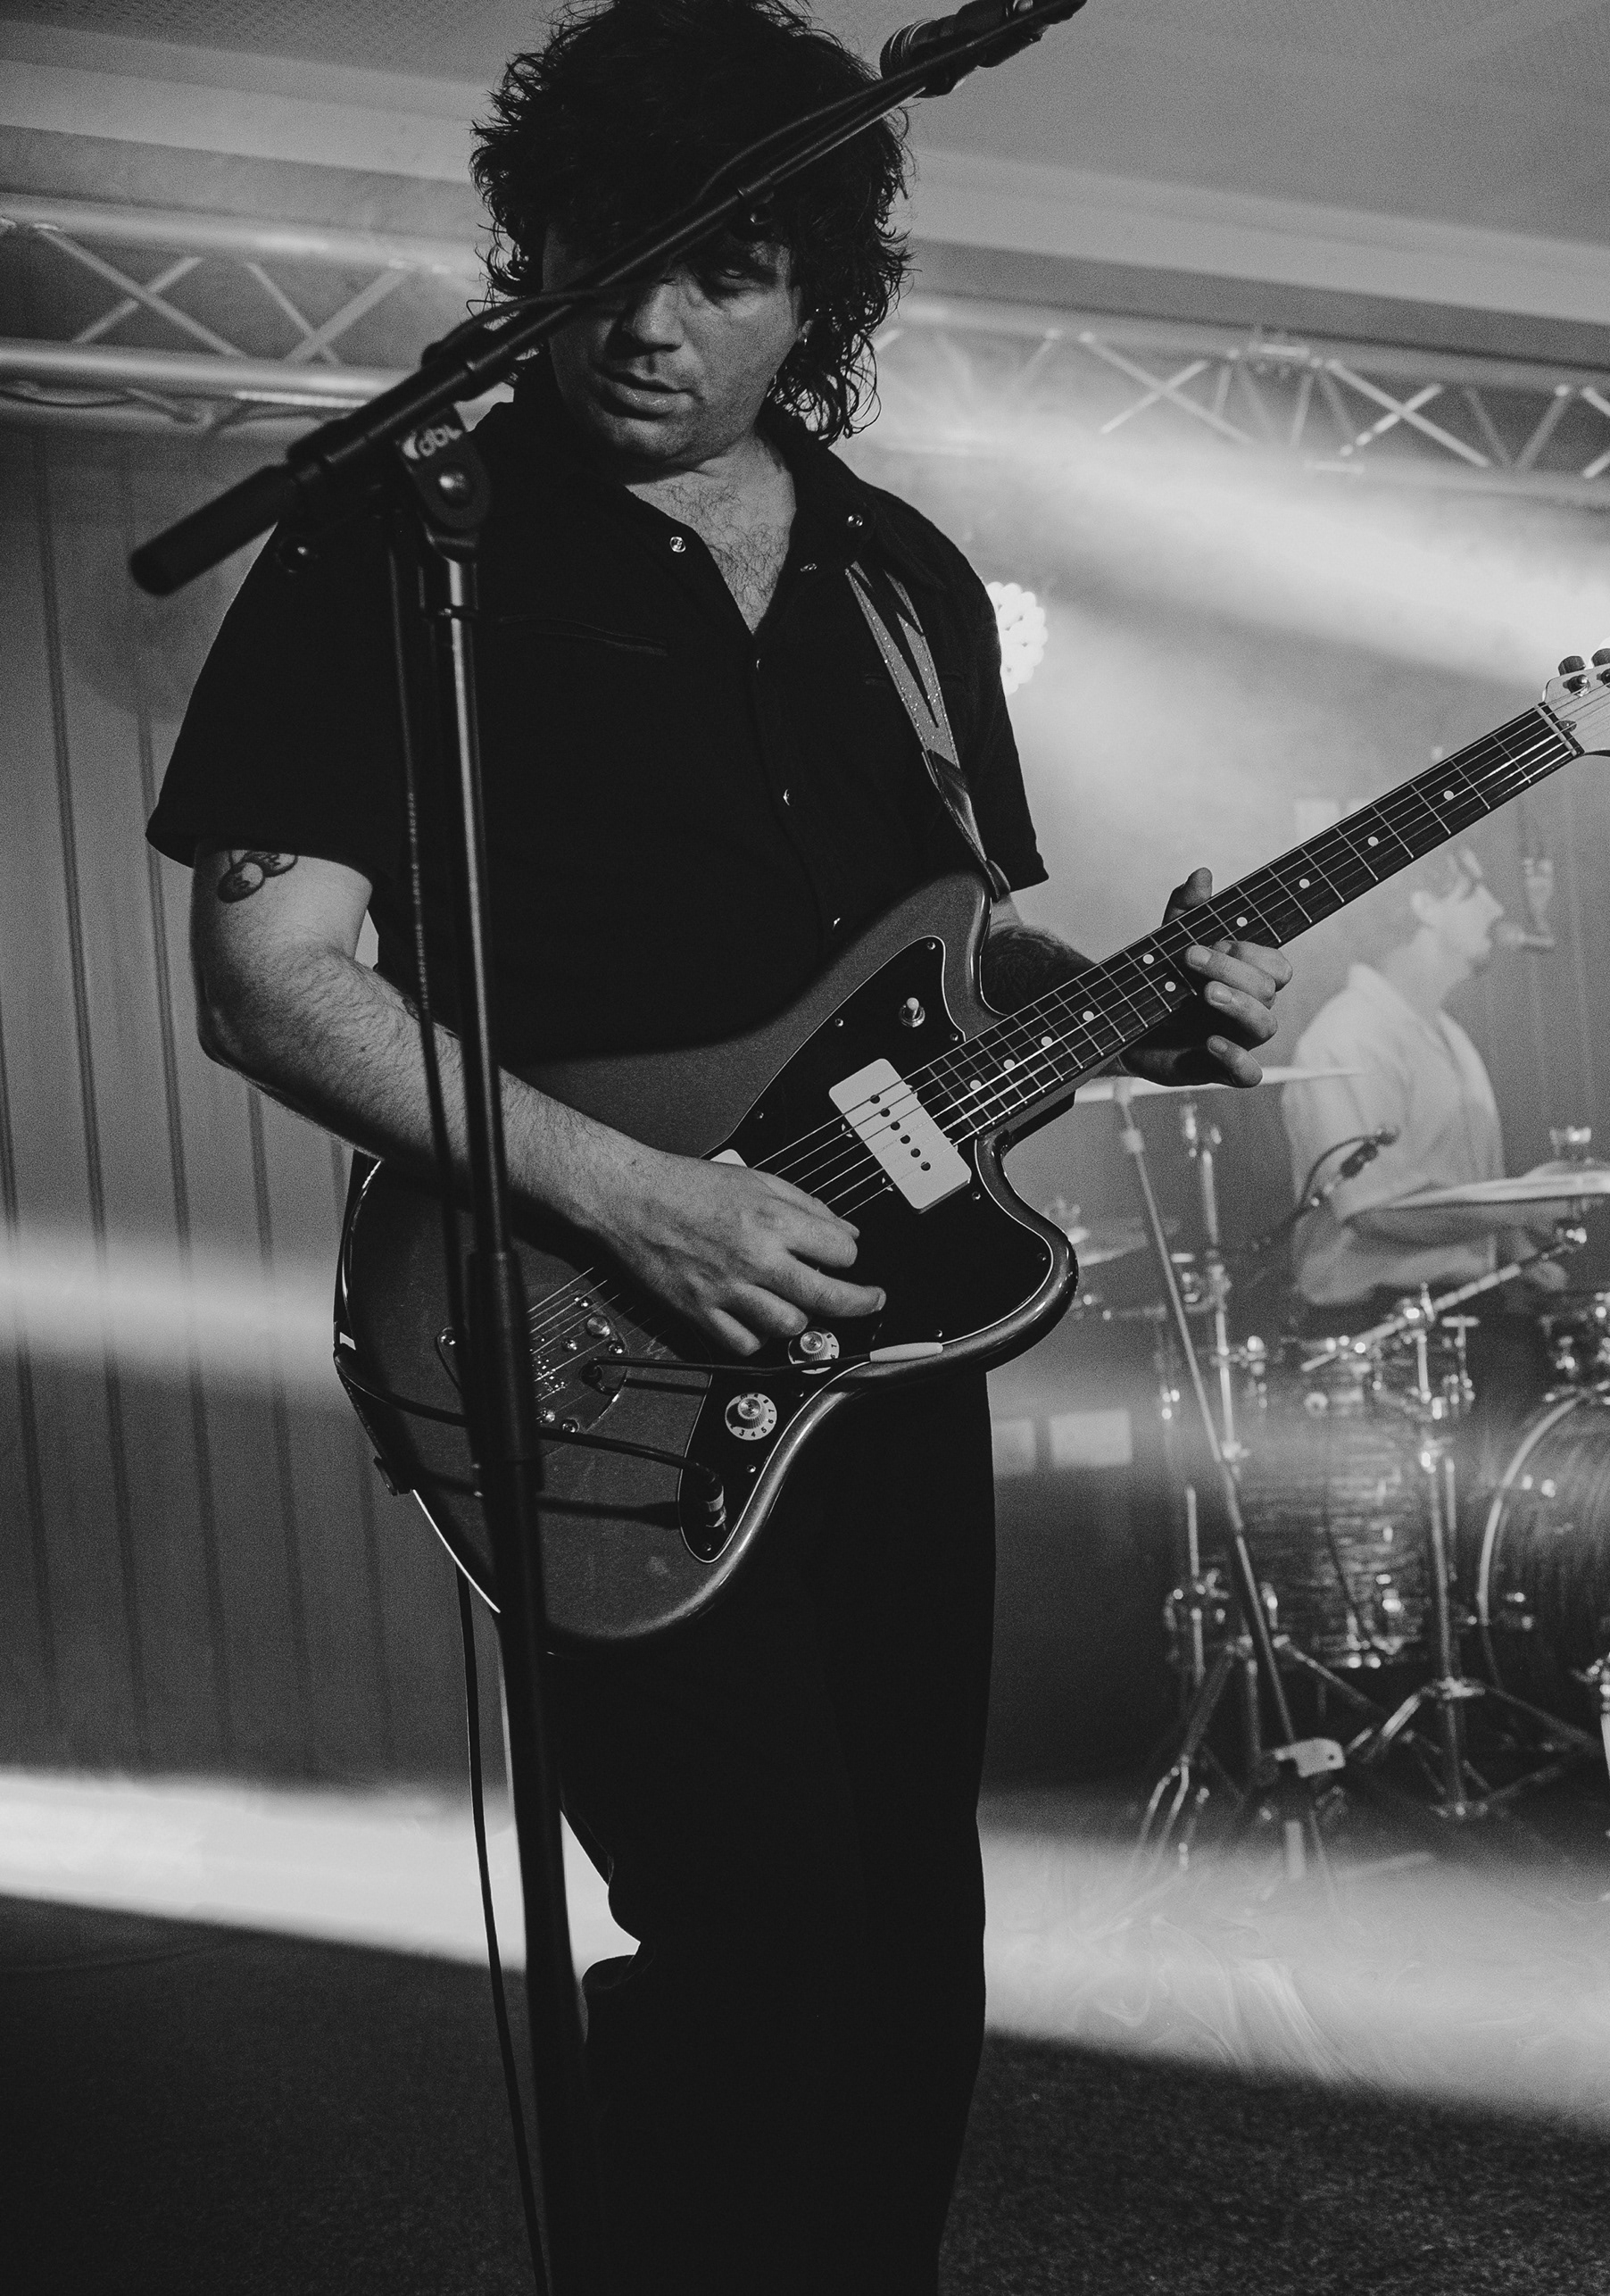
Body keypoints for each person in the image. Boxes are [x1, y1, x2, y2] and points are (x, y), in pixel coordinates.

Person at [144, 4, 1285, 2284]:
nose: (647, 323)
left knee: (908, 1942)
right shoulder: (409, 543)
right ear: (536, 248)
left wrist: (1137, 1010)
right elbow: (271, 977)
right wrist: (635, 1195)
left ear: (814, 292)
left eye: (726, 271)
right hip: (591, 1339)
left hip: (882, 1343)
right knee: (756, 1940)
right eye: (605, 255)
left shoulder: (901, 579)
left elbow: (956, 957)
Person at [1276, 847, 1564, 1434]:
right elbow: (1377, 1209)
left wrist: (1519, 1253)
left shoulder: (1448, 1034)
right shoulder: (1349, 1036)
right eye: (1475, 890)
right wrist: (1525, 1204)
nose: (1497, 907)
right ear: (1423, 905)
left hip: (1467, 1314)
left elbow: (1458, 1181)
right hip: (1380, 1337)